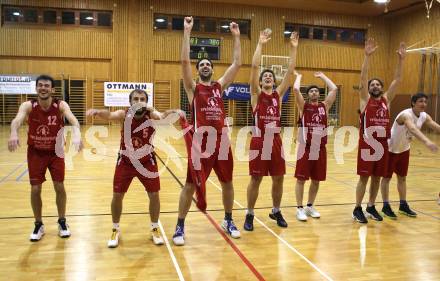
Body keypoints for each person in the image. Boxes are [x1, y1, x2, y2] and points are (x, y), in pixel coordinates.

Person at [173, 16, 241, 246]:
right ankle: (180, 226)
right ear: (198, 70)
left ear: (212, 69)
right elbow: (183, 62)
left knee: (228, 183)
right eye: (201, 64)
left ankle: (228, 220)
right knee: (190, 185)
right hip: (201, 143)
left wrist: (237, 37)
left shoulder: (219, 87)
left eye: (208, 65)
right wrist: (186, 32)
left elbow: (237, 65)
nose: (204, 66)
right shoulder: (193, 89)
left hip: (221, 142)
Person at [87, 89, 184, 248]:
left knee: (154, 194)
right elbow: (109, 115)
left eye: (142, 99)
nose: (139, 101)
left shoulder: (151, 115)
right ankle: (115, 229)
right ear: (130, 102)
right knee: (117, 195)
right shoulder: (123, 114)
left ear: (146, 101)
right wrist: (97, 111)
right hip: (126, 161)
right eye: (136, 98)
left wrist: (175, 111)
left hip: (147, 161)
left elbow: (164, 116)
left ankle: (154, 228)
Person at [8, 74, 83, 242]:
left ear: (52, 90)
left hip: (56, 153)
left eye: (46, 86)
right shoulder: (28, 105)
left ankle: (62, 221)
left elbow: (74, 120)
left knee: (59, 186)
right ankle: (38, 223)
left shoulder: (60, 105)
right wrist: (13, 132)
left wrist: (77, 134)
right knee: (35, 189)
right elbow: (17, 120)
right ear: (36, 88)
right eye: (40, 85)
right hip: (36, 153)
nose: (43, 88)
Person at [243, 29, 298, 231]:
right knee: (255, 178)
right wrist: (260, 43)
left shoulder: (278, 95)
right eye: (264, 76)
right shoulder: (256, 94)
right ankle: (249, 213)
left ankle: (275, 210)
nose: (267, 77)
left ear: (274, 81)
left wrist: (293, 48)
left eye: (270, 76)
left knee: (279, 178)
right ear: (260, 81)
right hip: (259, 141)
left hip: (275, 141)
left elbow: (290, 72)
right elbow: (255, 67)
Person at [353, 38, 406, 223]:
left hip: (382, 145)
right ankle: (357, 208)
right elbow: (363, 77)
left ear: (381, 88)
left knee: (377, 178)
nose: (375, 86)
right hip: (368, 145)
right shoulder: (365, 100)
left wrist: (401, 60)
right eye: (372, 84)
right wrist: (367, 57)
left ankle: (371, 206)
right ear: (368, 89)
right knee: (364, 178)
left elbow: (398, 80)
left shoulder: (386, 100)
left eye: (377, 84)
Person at [380, 93, 439, 218]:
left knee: (402, 178)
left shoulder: (423, 116)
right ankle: (385, 205)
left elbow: (435, 126)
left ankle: (403, 205)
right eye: (420, 101)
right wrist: (426, 141)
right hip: (390, 149)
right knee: (386, 178)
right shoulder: (405, 115)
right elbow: (412, 129)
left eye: (425, 102)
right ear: (413, 103)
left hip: (404, 150)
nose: (424, 104)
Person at [293, 71, 338, 221]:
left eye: (316, 91)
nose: (314, 92)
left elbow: (334, 89)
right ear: (308, 94)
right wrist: (298, 77)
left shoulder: (324, 106)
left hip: (320, 148)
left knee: (316, 180)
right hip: (306, 147)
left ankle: (310, 206)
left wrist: (323, 76)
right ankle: (299, 208)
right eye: (311, 91)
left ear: (319, 94)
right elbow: (295, 90)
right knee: (301, 179)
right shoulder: (303, 107)